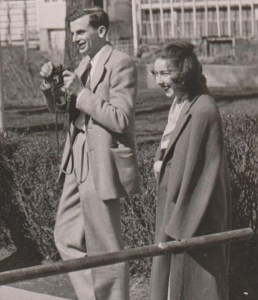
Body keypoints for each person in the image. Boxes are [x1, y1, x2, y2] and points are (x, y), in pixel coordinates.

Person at [39, 7, 140, 300]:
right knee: (65, 236)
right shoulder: (85, 63)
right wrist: (50, 86)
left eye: (80, 32)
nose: (75, 39)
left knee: (106, 244)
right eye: (72, 34)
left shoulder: (121, 63)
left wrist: (82, 93)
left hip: (102, 160)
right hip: (77, 158)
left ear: (101, 31)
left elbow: (121, 118)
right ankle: (95, 296)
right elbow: (65, 108)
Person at [149, 41, 230, 300]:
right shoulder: (182, 105)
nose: (159, 81)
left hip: (193, 211)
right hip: (175, 204)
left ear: (183, 73)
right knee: (174, 279)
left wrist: (164, 168)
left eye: (165, 73)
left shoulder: (202, 109)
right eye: (156, 74)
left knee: (195, 281)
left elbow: (202, 169)